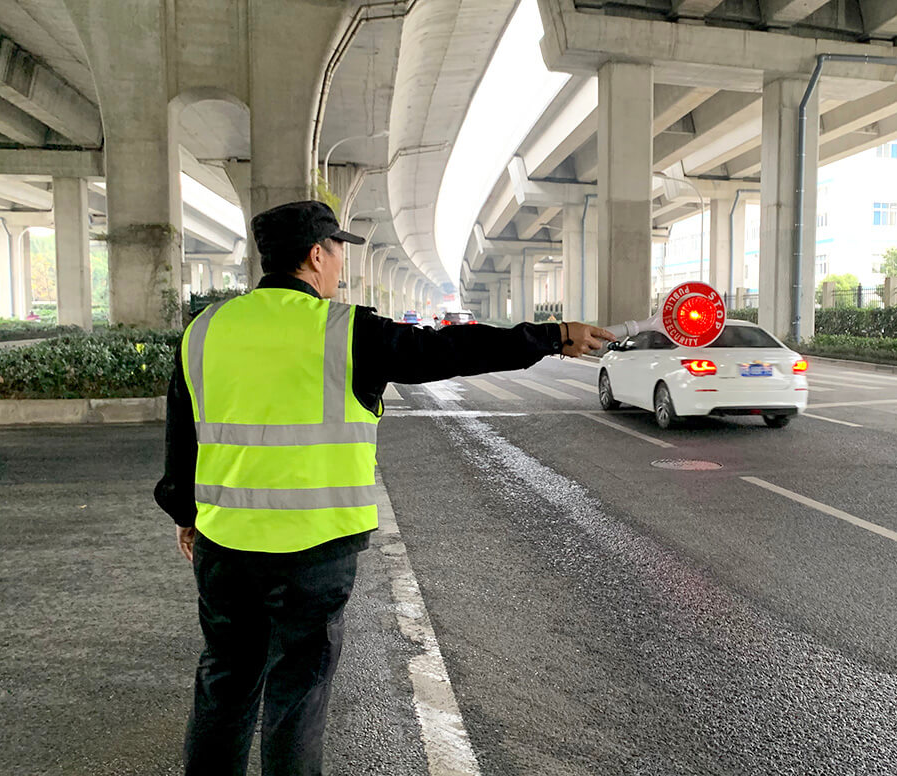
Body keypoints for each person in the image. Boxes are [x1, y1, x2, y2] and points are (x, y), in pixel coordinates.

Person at [154, 200, 613, 775]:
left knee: (225, 682)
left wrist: (184, 512)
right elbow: (451, 350)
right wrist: (550, 336)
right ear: (316, 255)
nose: (340, 263)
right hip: (316, 551)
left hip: (225, 546)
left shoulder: (205, 329)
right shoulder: (346, 331)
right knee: (298, 692)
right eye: (337, 250)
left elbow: (183, 432)